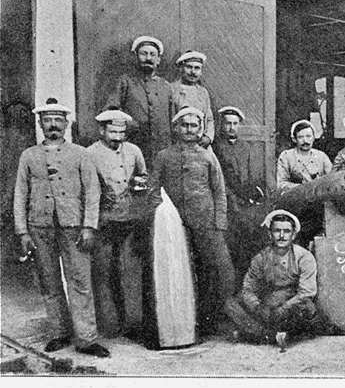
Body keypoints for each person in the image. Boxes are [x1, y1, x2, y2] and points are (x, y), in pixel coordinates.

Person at [14, 98, 109, 357]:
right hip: (40, 226)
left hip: (73, 225)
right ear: (40, 124)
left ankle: (86, 338)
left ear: (66, 124)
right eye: (48, 120)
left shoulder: (80, 154)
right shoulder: (29, 156)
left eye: (58, 120)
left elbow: (92, 192)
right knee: (49, 281)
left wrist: (89, 226)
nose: (53, 125)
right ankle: (59, 333)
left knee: (80, 281)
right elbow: (20, 194)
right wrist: (23, 231)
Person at [149, 106, 236, 337]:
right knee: (179, 271)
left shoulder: (208, 156)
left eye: (194, 125)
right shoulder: (164, 156)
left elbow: (219, 191)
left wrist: (220, 222)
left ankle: (210, 321)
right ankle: (181, 325)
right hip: (174, 225)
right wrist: (161, 216)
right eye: (185, 125)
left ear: (200, 129)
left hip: (205, 221)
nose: (189, 130)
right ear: (176, 128)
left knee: (217, 270)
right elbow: (153, 189)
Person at [87, 108, 148, 338]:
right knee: (103, 272)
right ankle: (108, 324)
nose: (117, 138)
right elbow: (87, 189)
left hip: (129, 219)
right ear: (102, 130)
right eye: (112, 132)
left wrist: (138, 185)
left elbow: (144, 178)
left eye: (121, 132)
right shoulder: (90, 154)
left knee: (130, 272)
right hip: (104, 220)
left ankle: (133, 324)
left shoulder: (134, 151)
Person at [226, 210, 318, 349]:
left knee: (307, 308)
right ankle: (273, 335)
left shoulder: (304, 257)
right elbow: (248, 288)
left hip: (291, 306)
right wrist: (257, 306)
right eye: (277, 231)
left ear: (293, 235)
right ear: (270, 234)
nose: (281, 236)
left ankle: (258, 335)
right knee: (231, 304)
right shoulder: (261, 258)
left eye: (287, 231)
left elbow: (307, 292)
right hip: (268, 306)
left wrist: (284, 308)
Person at [105, 35, 174, 167]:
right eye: (143, 54)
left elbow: (173, 119)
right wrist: (129, 125)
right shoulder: (125, 82)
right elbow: (111, 111)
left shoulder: (166, 87)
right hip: (133, 144)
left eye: (152, 54)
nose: (148, 58)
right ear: (135, 57)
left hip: (161, 147)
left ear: (158, 59)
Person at [212, 106, 260, 209]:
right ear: (222, 124)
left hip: (244, 196)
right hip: (225, 197)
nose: (232, 128)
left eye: (235, 124)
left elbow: (250, 175)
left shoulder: (245, 147)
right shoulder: (216, 147)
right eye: (228, 123)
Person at [171, 50, 215, 150]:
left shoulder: (203, 92)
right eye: (189, 67)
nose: (193, 72)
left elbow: (209, 118)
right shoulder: (172, 89)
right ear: (181, 68)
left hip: (201, 143)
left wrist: (208, 137)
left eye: (197, 68)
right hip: (178, 143)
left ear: (201, 71)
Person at [276, 119, 332, 192]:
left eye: (308, 136)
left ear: (313, 137)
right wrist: (305, 188)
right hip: (295, 196)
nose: (305, 141)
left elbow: (331, 179)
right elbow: (281, 184)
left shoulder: (321, 156)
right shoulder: (286, 156)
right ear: (294, 139)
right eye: (300, 137)